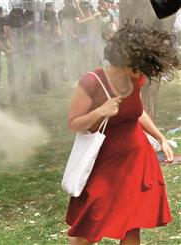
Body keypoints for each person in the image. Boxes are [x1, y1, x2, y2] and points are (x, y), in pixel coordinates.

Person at [65, 20, 179, 245]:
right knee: (90, 224)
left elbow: (137, 112)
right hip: (103, 164)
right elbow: (73, 124)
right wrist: (100, 111)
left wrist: (160, 138)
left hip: (136, 162)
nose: (140, 74)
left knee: (131, 227)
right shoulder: (92, 82)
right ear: (125, 57)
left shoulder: (134, 78)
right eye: (138, 65)